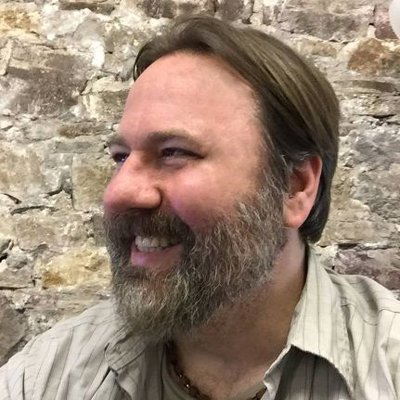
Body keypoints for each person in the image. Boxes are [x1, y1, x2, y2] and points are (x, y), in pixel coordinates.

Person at [1, 15, 399, 400]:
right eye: (121, 157)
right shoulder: (44, 378)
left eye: (174, 152)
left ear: (294, 187)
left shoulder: (386, 367)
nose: (117, 193)